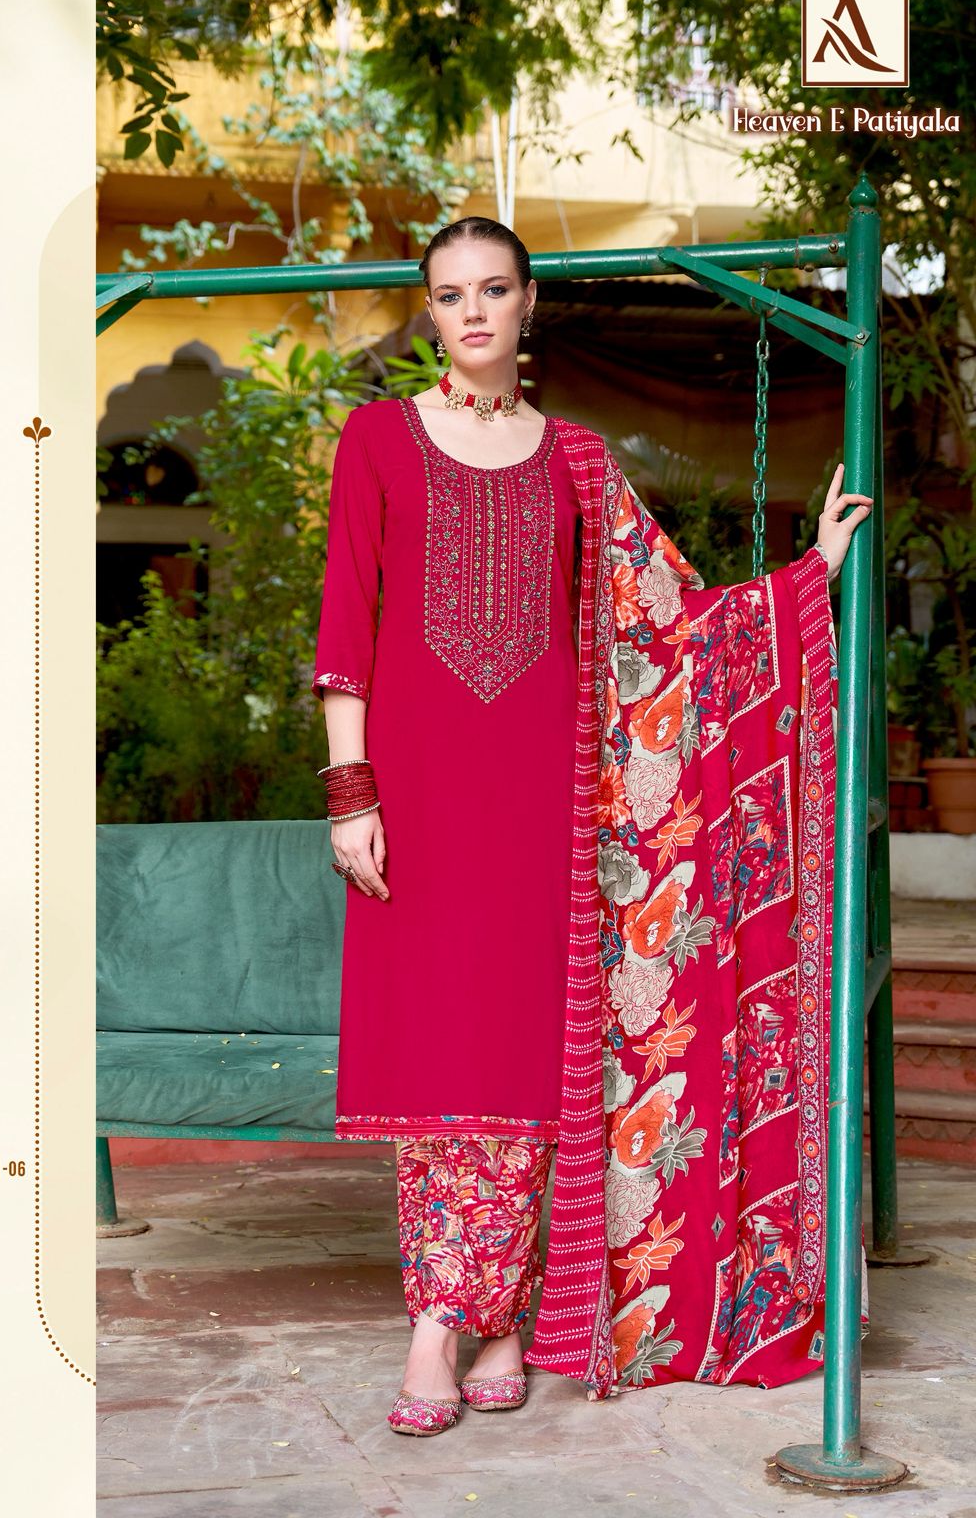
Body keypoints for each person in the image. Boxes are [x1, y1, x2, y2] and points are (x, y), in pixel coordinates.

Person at [312, 216, 873, 1436]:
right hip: (417, 797)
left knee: (525, 1059)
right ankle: (444, 1322)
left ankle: (494, 1324)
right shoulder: (378, 439)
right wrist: (351, 789)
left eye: (493, 289)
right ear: (430, 313)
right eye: (449, 294)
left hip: (546, 804)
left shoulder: (576, 459)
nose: (472, 312)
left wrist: (805, 579)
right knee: (437, 1056)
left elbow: (660, 619)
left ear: (528, 305)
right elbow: (346, 615)